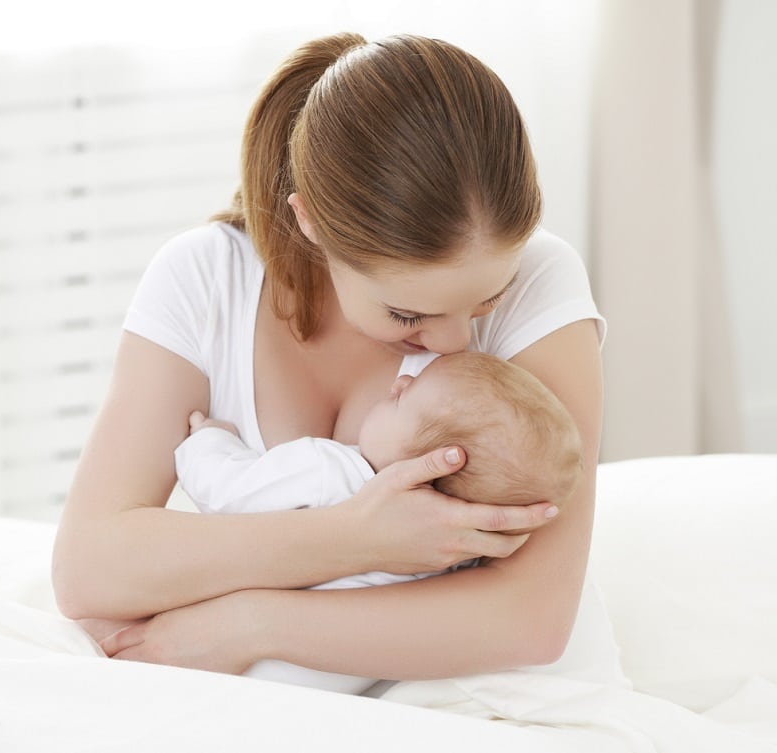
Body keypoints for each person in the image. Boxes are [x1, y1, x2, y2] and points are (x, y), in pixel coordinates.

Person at [52, 32, 605, 687]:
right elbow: (91, 570)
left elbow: (531, 620)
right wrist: (355, 537)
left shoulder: (544, 280)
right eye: (408, 314)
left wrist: (244, 625)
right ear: (311, 223)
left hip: (483, 694)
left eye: (489, 299)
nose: (457, 343)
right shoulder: (206, 280)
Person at [175, 350, 584, 694]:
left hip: (247, 675)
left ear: (431, 464)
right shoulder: (459, 556)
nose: (398, 384)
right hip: (329, 691)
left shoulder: (330, 471)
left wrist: (210, 439)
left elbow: (225, 490)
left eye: (404, 400)